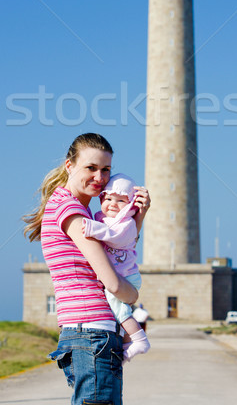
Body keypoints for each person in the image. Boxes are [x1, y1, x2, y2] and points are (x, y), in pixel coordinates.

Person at [23, 133, 151, 405]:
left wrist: (136, 219)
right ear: (70, 165)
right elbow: (113, 282)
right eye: (91, 168)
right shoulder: (74, 212)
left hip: (85, 333)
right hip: (92, 334)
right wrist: (133, 296)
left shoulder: (65, 205)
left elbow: (118, 253)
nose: (100, 177)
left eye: (106, 170)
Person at [82, 173, 150, 362]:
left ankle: (140, 339)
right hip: (120, 274)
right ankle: (128, 341)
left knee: (117, 307)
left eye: (121, 200)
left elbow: (117, 238)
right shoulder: (102, 217)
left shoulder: (126, 223)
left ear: (129, 205)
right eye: (108, 198)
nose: (113, 203)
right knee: (118, 310)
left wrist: (92, 228)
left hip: (127, 276)